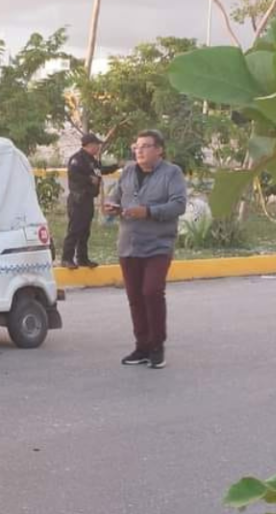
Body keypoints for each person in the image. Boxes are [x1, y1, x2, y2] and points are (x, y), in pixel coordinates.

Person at [103, 129, 187, 369]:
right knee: (135, 297)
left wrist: (148, 211)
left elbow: (178, 205)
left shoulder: (172, 173)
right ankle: (142, 346)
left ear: (159, 149)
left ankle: (157, 346)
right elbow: (116, 194)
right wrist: (111, 204)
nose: (139, 150)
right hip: (129, 244)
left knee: (151, 291)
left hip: (158, 244)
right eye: (136, 146)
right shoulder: (129, 171)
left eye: (145, 146)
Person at [60, 133, 119, 269]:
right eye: (97, 144)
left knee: (85, 231)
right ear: (90, 145)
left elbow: (100, 171)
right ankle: (66, 258)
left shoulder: (92, 160)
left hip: (87, 200)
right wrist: (89, 179)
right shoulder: (77, 159)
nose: (98, 147)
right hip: (77, 199)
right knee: (74, 229)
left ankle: (82, 258)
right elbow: (73, 175)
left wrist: (116, 166)